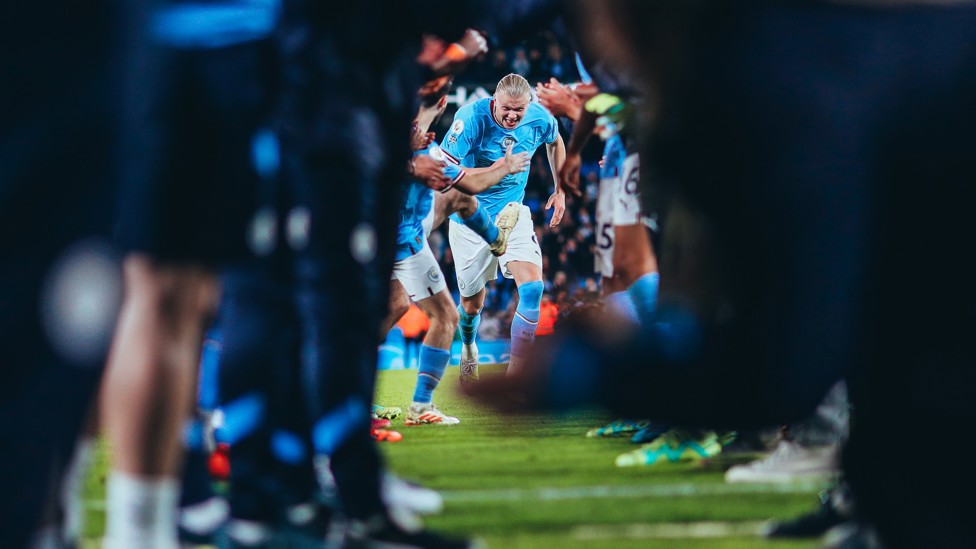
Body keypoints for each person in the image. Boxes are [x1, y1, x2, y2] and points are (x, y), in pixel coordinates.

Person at [475, 1, 976, 546]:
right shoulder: (818, 51)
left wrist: (594, 374)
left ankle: (845, 466)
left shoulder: (763, 80)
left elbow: (787, 365)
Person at [381, 79, 531, 425]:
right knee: (445, 317)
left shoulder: (430, 154)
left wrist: (503, 169)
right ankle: (418, 408)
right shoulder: (401, 148)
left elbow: (470, 186)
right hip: (394, 243)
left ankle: (496, 240)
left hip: (398, 240)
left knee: (398, 305)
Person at [440, 72, 566, 383]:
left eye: (518, 111)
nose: (512, 116)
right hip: (469, 216)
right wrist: (496, 169)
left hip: (512, 212)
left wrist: (560, 187)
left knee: (534, 287)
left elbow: (556, 140)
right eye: (506, 109)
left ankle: (517, 378)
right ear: (495, 102)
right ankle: (469, 347)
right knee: (472, 305)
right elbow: (444, 172)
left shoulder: (539, 117)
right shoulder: (470, 117)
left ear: (528, 106)